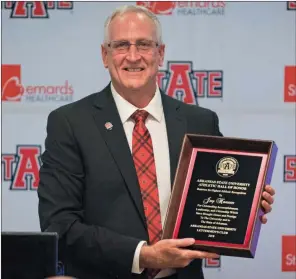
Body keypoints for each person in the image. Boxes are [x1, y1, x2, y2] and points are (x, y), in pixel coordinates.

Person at [37, 5, 275, 279]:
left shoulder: (200, 122)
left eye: (144, 44)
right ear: (105, 55)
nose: (133, 56)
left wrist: (248, 204)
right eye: (121, 45)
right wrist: (143, 254)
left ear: (160, 53)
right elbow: (60, 224)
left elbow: (219, 198)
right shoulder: (70, 123)